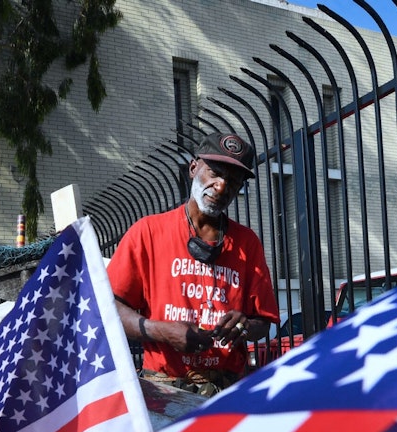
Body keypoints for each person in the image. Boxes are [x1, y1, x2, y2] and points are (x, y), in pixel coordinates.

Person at [108, 131, 280, 394]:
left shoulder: (248, 243)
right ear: (193, 168)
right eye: (214, 173)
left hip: (227, 391)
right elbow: (110, 310)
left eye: (233, 182)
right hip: (164, 389)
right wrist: (160, 331)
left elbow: (263, 322)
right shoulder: (147, 233)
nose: (222, 187)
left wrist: (245, 326)